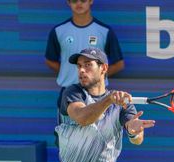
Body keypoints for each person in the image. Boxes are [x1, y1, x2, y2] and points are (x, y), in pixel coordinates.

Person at [45, 0, 125, 128]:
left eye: (83, 0)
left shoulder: (104, 31)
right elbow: (50, 60)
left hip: (98, 95)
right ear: (68, 2)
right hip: (69, 94)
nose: (79, 3)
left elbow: (119, 64)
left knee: (100, 139)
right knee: (66, 140)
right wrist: (68, 73)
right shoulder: (58, 31)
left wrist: (95, 77)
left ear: (91, 1)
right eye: (74, 0)